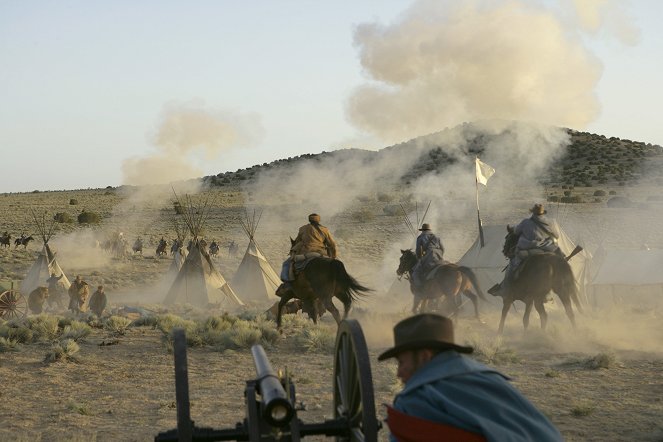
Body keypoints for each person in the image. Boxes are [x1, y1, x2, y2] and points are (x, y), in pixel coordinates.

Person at [379, 313, 563, 442]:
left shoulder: (415, 399)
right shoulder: (487, 377)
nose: (399, 373)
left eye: (401, 363)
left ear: (425, 356)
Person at [490, 203, 562, 296]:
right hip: (548, 249)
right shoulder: (551, 222)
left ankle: (506, 289)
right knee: (561, 260)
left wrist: (513, 229)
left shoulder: (526, 222)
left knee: (513, 265)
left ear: (533, 213)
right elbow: (557, 235)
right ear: (543, 213)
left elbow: (516, 231)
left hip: (529, 250)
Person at [279, 213, 338, 288]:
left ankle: (288, 285)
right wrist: (334, 255)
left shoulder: (303, 229)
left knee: (287, 264)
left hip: (305, 254)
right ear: (319, 220)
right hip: (321, 253)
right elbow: (332, 244)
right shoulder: (325, 230)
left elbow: (297, 242)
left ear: (309, 220)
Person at [410, 223, 445, 291]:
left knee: (415, 273)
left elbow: (418, 251)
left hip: (429, 257)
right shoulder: (437, 237)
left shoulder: (420, 238)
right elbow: (443, 249)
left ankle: (420, 290)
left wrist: (420, 259)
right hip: (439, 256)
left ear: (422, 230)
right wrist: (439, 256)